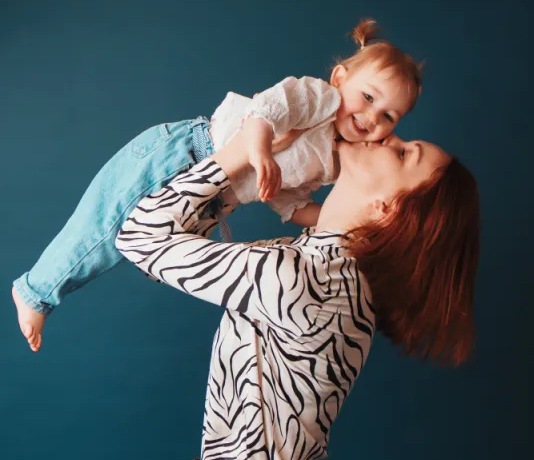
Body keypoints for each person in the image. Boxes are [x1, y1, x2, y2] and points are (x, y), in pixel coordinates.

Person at [114, 123, 480, 460]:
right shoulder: (317, 264)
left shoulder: (301, 278)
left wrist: (238, 155)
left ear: (389, 208)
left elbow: (140, 235)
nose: (387, 134)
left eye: (405, 153)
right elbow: (181, 237)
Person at [12, 18, 422, 352]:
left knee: (122, 247)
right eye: (369, 98)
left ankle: (44, 289)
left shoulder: (331, 162)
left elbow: (292, 204)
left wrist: (349, 224)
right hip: (185, 154)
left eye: (389, 116)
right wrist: (259, 152)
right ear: (339, 77)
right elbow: (265, 111)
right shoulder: (319, 99)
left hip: (207, 198)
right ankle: (36, 291)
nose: (373, 118)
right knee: (103, 227)